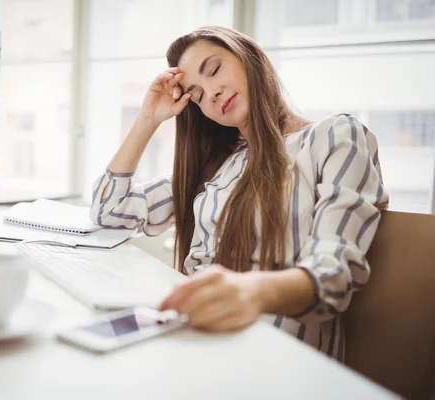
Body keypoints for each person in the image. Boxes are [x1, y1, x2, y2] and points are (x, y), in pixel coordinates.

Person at [89, 26, 388, 361]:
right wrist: (147, 119)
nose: (212, 94)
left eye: (214, 70)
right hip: (193, 340)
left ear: (248, 56)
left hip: (274, 355)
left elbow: (333, 274)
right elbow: (110, 209)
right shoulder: (217, 164)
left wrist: (250, 291)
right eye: (197, 95)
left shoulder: (333, 136)